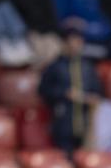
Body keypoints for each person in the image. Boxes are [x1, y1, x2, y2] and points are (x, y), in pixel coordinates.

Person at [38, 25, 103, 153]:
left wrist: (93, 98)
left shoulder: (88, 67)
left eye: (78, 41)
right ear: (64, 43)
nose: (75, 45)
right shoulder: (55, 66)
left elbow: (97, 91)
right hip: (63, 122)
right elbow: (43, 90)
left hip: (85, 123)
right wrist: (63, 93)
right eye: (71, 41)